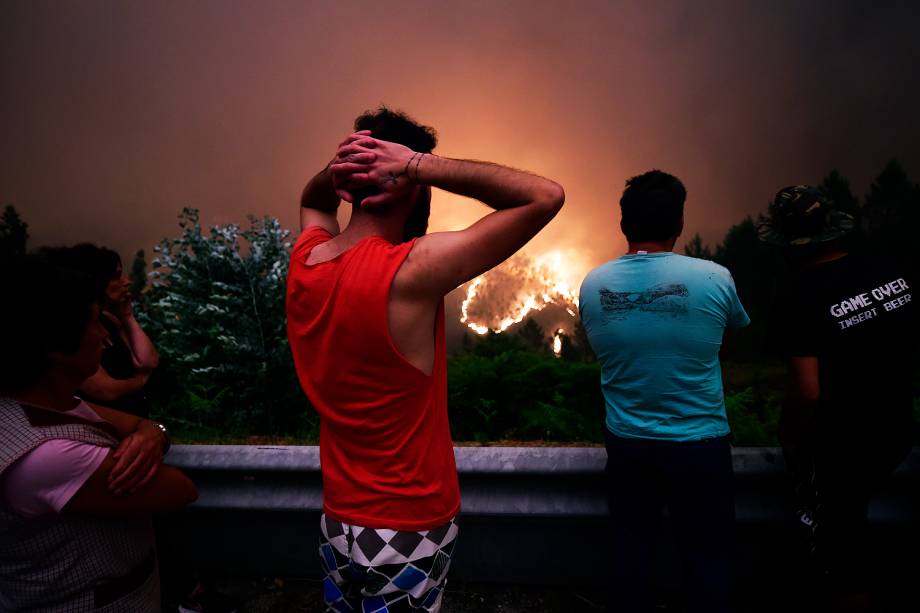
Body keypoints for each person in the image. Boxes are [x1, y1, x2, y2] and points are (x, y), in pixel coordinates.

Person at [286, 107, 564, 612]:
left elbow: (313, 201)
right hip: (407, 523)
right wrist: (416, 165)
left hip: (337, 521)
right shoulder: (409, 272)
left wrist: (341, 170)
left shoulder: (307, 261)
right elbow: (545, 196)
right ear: (405, 181)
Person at [578, 170, 749, 613]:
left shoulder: (593, 284)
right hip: (701, 444)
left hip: (629, 444)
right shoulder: (715, 277)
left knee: (631, 554)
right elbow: (724, 344)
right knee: (709, 559)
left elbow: (601, 348)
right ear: (679, 223)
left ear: (623, 224)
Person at [0, 253, 198, 611]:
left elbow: (144, 425)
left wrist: (153, 432)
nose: (106, 336)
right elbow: (181, 489)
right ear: (57, 349)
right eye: (94, 323)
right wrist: (149, 432)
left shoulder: (46, 406)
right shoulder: (46, 458)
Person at [760, 185, 918, 611]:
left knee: (842, 557)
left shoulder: (797, 293)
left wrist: (789, 438)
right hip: (900, 426)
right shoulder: (888, 269)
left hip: (845, 442)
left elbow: (807, 393)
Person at [42, 243, 158, 417]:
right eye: (116, 276)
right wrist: (140, 381)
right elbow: (104, 389)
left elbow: (148, 361)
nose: (126, 281)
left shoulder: (110, 321)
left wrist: (128, 317)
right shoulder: (70, 326)